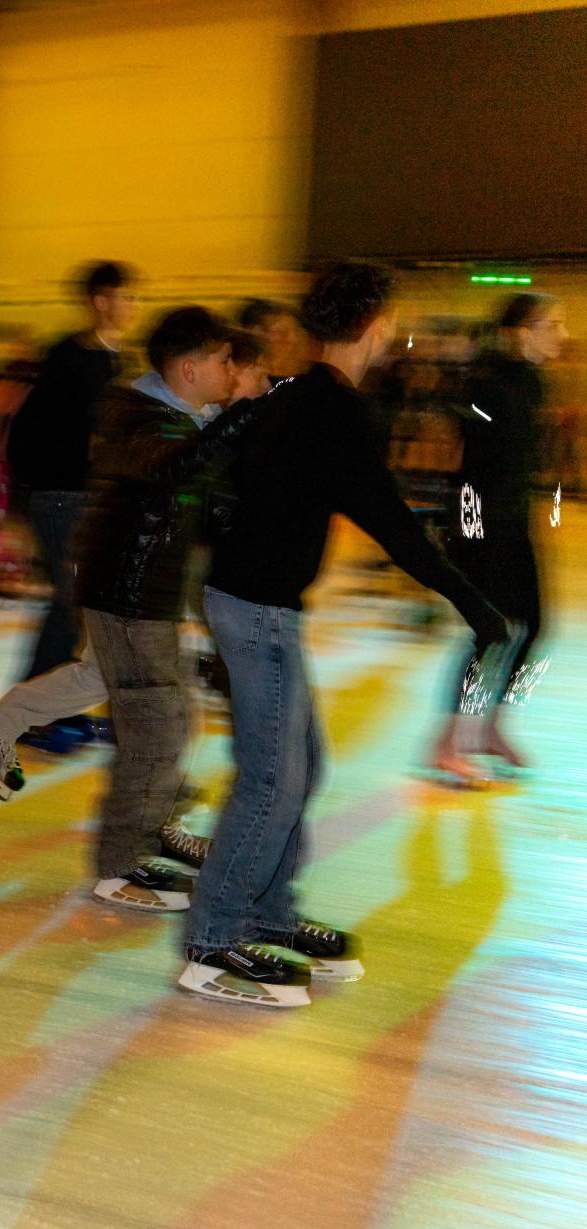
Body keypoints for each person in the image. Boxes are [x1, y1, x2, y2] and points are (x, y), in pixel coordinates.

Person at [181, 262, 509, 1010]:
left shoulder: (295, 396)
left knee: (301, 762)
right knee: (273, 776)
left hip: (252, 600)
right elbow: (394, 527)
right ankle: (214, 937)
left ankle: (269, 911)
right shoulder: (332, 411)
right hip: (256, 606)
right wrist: (474, 604)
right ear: (376, 325)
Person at [0, 309, 257, 900]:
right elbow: (173, 469)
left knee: (106, 682)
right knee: (159, 725)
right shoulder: (138, 418)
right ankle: (124, 859)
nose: (232, 373)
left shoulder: (185, 418)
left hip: (131, 590)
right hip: (128, 594)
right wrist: (243, 415)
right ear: (190, 368)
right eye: (225, 362)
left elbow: (208, 506)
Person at [427, 292, 565, 783]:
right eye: (552, 325)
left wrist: (547, 516)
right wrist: (470, 535)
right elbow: (465, 470)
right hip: (481, 527)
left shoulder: (535, 382)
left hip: (516, 525)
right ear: (522, 332)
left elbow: (531, 464)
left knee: (536, 627)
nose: (562, 334)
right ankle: (446, 741)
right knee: (489, 631)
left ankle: (492, 725)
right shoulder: (487, 383)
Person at [4, 261, 137, 688]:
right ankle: (27, 704)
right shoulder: (66, 357)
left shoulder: (120, 361)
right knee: (69, 603)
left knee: (77, 606)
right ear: (101, 302)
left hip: (92, 500)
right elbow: (26, 427)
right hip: (60, 496)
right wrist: (23, 494)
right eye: (125, 297)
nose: (133, 305)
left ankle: (45, 700)